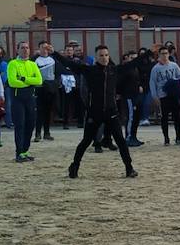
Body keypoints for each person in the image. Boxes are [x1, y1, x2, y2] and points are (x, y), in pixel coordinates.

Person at [55, 45, 138, 179]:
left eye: (106, 55)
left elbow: (133, 63)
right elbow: (69, 63)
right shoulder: (90, 70)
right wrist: (54, 53)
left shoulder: (114, 70)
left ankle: (129, 168)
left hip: (112, 112)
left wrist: (151, 53)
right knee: (86, 141)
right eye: (101, 55)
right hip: (95, 112)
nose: (104, 58)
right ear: (96, 57)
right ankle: (74, 166)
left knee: (121, 141)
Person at [5, 40, 43, 163]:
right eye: (22, 48)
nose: (25, 50)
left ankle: (25, 150)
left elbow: (39, 81)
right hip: (18, 99)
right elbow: (12, 82)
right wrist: (29, 82)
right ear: (17, 50)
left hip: (30, 98)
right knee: (20, 125)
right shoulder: (13, 64)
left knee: (30, 124)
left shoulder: (33, 64)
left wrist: (24, 79)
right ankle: (19, 152)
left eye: (27, 48)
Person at [149, 47, 180, 146]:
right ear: (159, 55)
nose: (164, 55)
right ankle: (166, 138)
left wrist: (174, 82)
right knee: (164, 117)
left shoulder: (174, 65)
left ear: (169, 54)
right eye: (162, 53)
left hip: (173, 93)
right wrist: (155, 96)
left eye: (166, 53)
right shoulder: (156, 68)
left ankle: (178, 137)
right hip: (163, 95)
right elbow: (152, 83)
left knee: (177, 116)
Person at [33, 40, 58, 142]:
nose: (45, 49)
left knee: (48, 112)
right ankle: (38, 134)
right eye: (42, 47)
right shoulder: (36, 60)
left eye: (46, 47)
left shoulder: (52, 59)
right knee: (40, 112)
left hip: (50, 88)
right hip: (39, 88)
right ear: (39, 49)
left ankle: (47, 133)